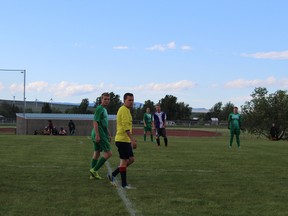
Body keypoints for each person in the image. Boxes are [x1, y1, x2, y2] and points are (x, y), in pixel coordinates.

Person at [108, 93, 137, 189]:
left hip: (125, 140)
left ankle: (113, 174)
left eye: (132, 100)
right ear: (124, 100)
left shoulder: (127, 110)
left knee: (131, 159)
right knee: (124, 162)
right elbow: (126, 128)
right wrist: (132, 139)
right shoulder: (124, 110)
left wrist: (131, 139)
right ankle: (124, 185)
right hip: (122, 140)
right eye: (129, 100)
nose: (131, 102)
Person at [89, 92, 112, 180]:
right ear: (101, 99)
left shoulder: (105, 110)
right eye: (105, 99)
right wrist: (98, 135)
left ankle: (92, 175)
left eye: (108, 99)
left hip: (101, 133)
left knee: (97, 152)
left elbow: (104, 124)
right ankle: (94, 170)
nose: (106, 101)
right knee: (109, 153)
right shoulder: (99, 108)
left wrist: (109, 134)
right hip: (99, 133)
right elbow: (95, 121)